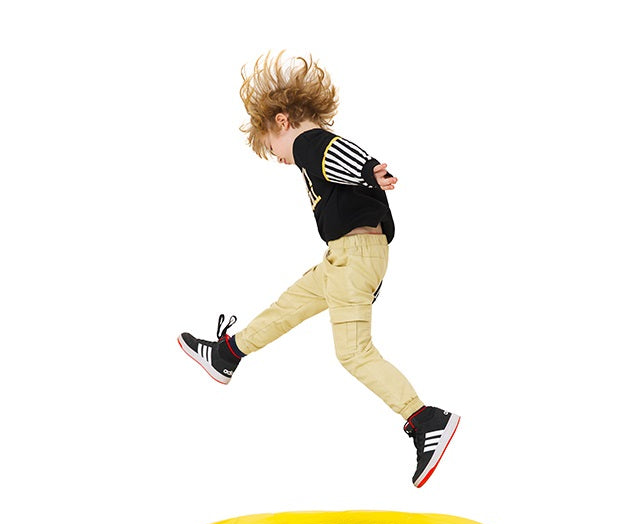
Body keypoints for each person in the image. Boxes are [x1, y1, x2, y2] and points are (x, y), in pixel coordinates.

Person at [178, 52, 459, 487]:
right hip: (348, 257)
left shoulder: (310, 143)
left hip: (354, 255)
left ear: (282, 121)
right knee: (290, 304)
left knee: (354, 352)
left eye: (271, 147)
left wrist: (369, 171)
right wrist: (367, 177)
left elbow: (337, 153)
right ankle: (228, 354)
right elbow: (343, 165)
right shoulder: (319, 150)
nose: (279, 158)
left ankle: (424, 419)